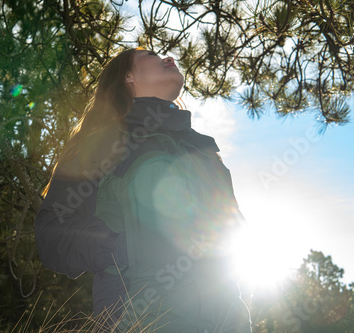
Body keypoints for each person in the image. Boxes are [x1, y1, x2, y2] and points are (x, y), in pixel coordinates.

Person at [34, 48, 252, 332]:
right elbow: (52, 234)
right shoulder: (100, 143)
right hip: (141, 317)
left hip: (228, 319)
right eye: (151, 54)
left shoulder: (203, 149)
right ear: (128, 76)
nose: (169, 57)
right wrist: (119, 248)